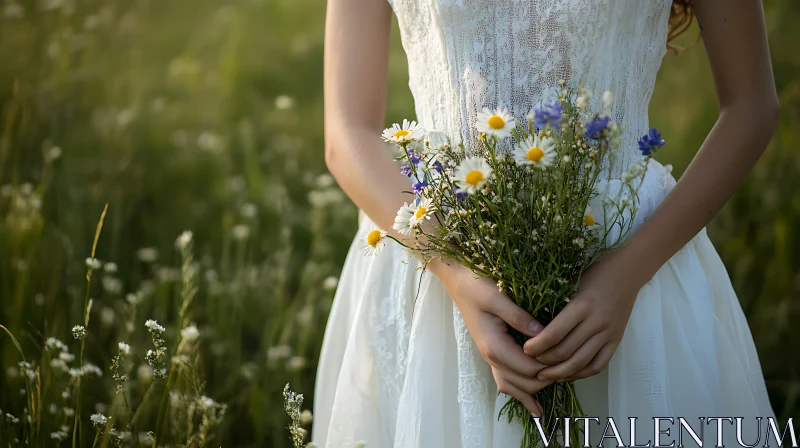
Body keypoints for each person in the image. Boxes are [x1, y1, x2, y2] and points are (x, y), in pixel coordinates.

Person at [313, 0, 779, 446]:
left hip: (630, 270)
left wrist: (625, 276)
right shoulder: (446, 269)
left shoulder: (629, 275)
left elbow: (750, 106)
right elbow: (347, 131)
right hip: (436, 263)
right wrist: (455, 272)